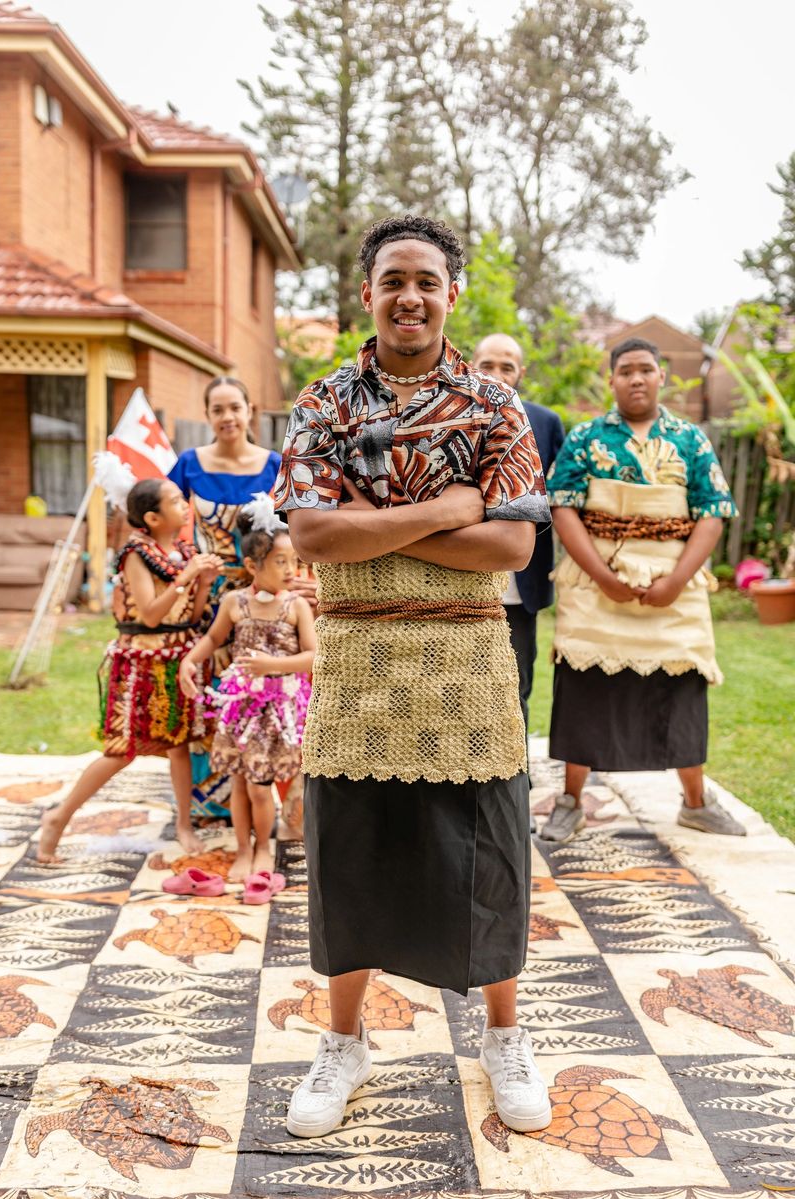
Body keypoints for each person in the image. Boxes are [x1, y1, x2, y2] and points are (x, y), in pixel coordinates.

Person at [273, 215, 553, 1140]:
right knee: (353, 855)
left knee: (491, 856)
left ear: (452, 294)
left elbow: (512, 540)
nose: (410, 296)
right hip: (356, 663)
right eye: (393, 279)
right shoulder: (322, 403)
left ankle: (502, 1036)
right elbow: (311, 533)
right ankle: (342, 1041)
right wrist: (447, 509)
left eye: (427, 280)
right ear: (367, 292)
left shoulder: (494, 405)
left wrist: (378, 515)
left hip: (470, 663)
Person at [542, 336, 745, 842]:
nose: (636, 378)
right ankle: (570, 802)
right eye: (626, 370)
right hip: (596, 581)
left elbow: (713, 513)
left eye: (646, 369)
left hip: (674, 584)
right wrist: (604, 577)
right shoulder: (587, 437)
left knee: (681, 687)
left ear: (661, 377)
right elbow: (563, 506)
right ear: (611, 380)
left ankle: (696, 802)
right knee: (584, 687)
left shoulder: (690, 439)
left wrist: (676, 580)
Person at [37, 478, 221, 863]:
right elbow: (151, 615)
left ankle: (183, 825)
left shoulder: (184, 550)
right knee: (121, 751)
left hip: (178, 659)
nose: (185, 504)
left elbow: (195, 613)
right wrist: (187, 578)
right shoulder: (136, 553)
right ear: (153, 517)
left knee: (179, 746)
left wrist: (203, 583)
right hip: (142, 662)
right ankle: (59, 817)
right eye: (175, 501)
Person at [168, 376, 315, 818]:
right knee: (219, 693)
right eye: (218, 409)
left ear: (250, 410)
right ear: (207, 415)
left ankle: (284, 802)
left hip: (271, 593)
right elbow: (164, 523)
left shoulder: (275, 464)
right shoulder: (189, 464)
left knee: (277, 693)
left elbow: (301, 528)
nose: (228, 417)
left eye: (235, 407)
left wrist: (305, 579)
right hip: (212, 599)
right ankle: (217, 806)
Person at [180, 496, 315, 892]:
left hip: (280, 710)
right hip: (243, 709)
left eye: (294, 560)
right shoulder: (234, 603)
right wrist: (190, 660)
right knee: (240, 783)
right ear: (253, 566)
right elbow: (213, 638)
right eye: (280, 562)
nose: (291, 570)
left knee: (260, 787)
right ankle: (243, 847)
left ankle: (264, 848)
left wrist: (273, 667)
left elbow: (312, 657)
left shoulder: (295, 607)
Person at [471, 334, 564, 812]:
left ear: (520, 373)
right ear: (472, 365)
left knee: (517, 689)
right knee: (463, 687)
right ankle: (468, 783)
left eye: (507, 366)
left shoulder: (546, 424)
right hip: (465, 582)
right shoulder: (452, 414)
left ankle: (515, 792)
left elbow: (561, 501)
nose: (497, 374)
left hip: (521, 586)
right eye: (487, 364)